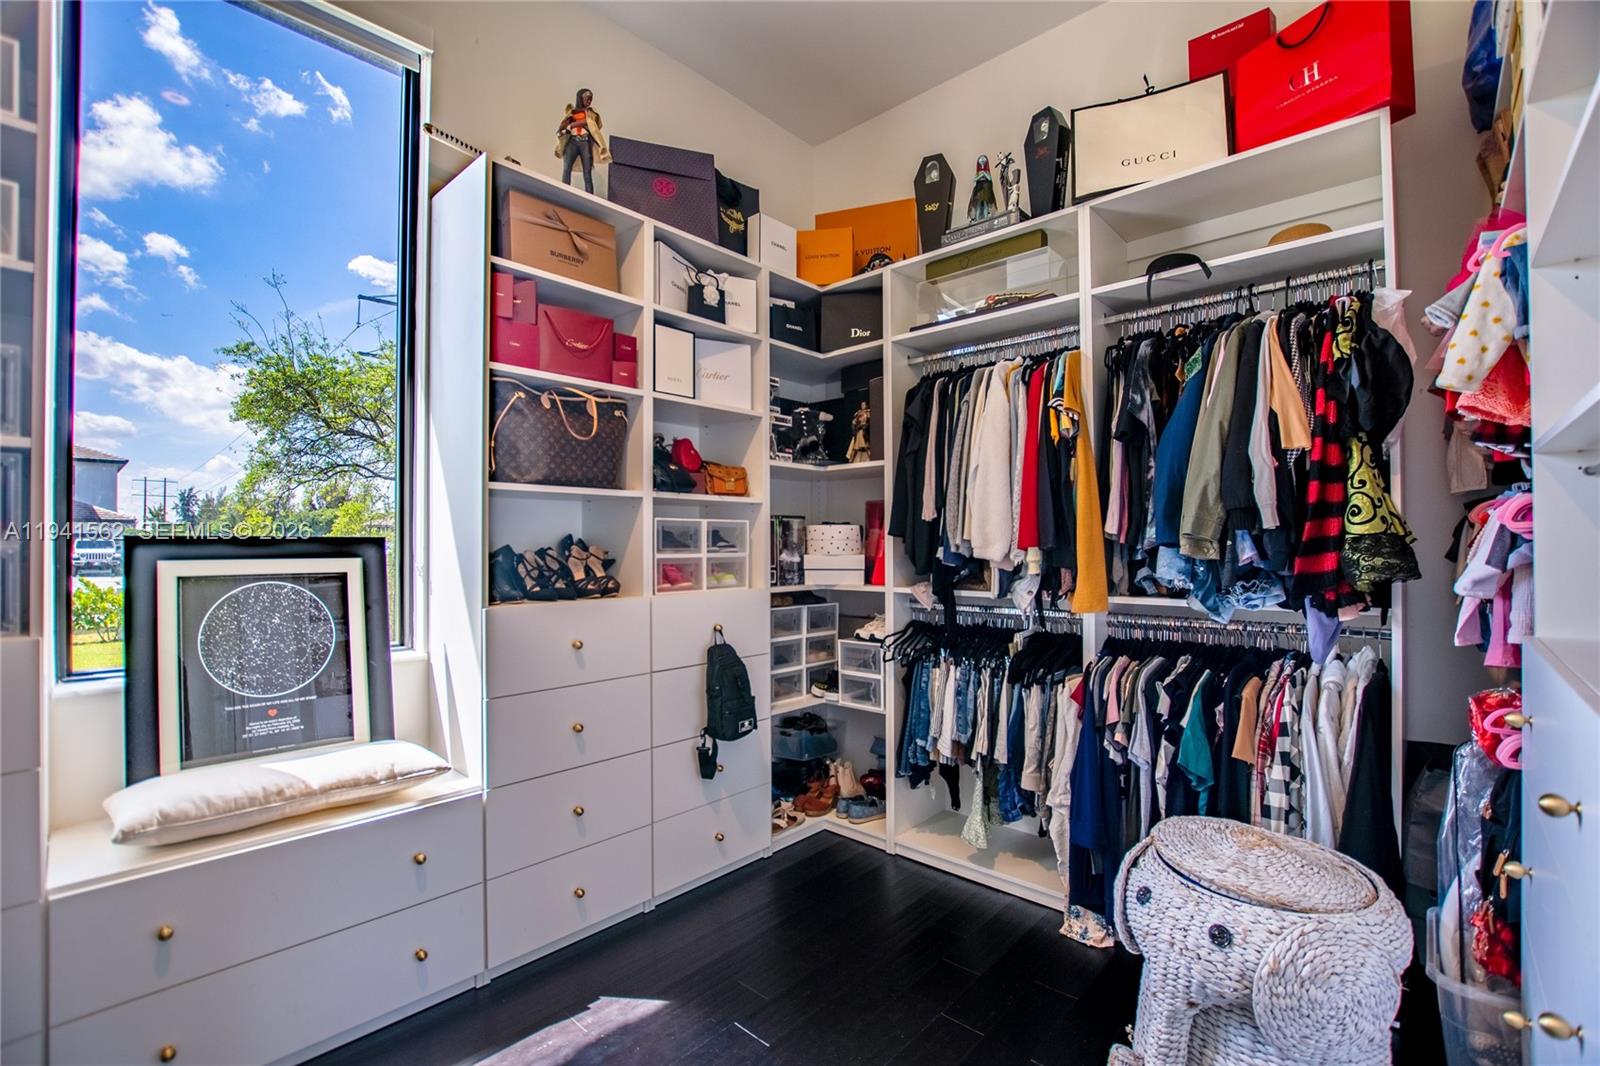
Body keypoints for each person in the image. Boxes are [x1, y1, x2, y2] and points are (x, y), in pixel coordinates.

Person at [555, 88, 610, 192]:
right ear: (580, 98)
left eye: (591, 99)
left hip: (585, 142)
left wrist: (572, 125)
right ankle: (563, 193)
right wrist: (564, 126)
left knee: (587, 173)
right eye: (587, 99)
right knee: (567, 168)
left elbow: (591, 123)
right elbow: (562, 127)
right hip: (572, 141)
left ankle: (590, 198)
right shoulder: (572, 113)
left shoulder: (590, 113)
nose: (589, 101)